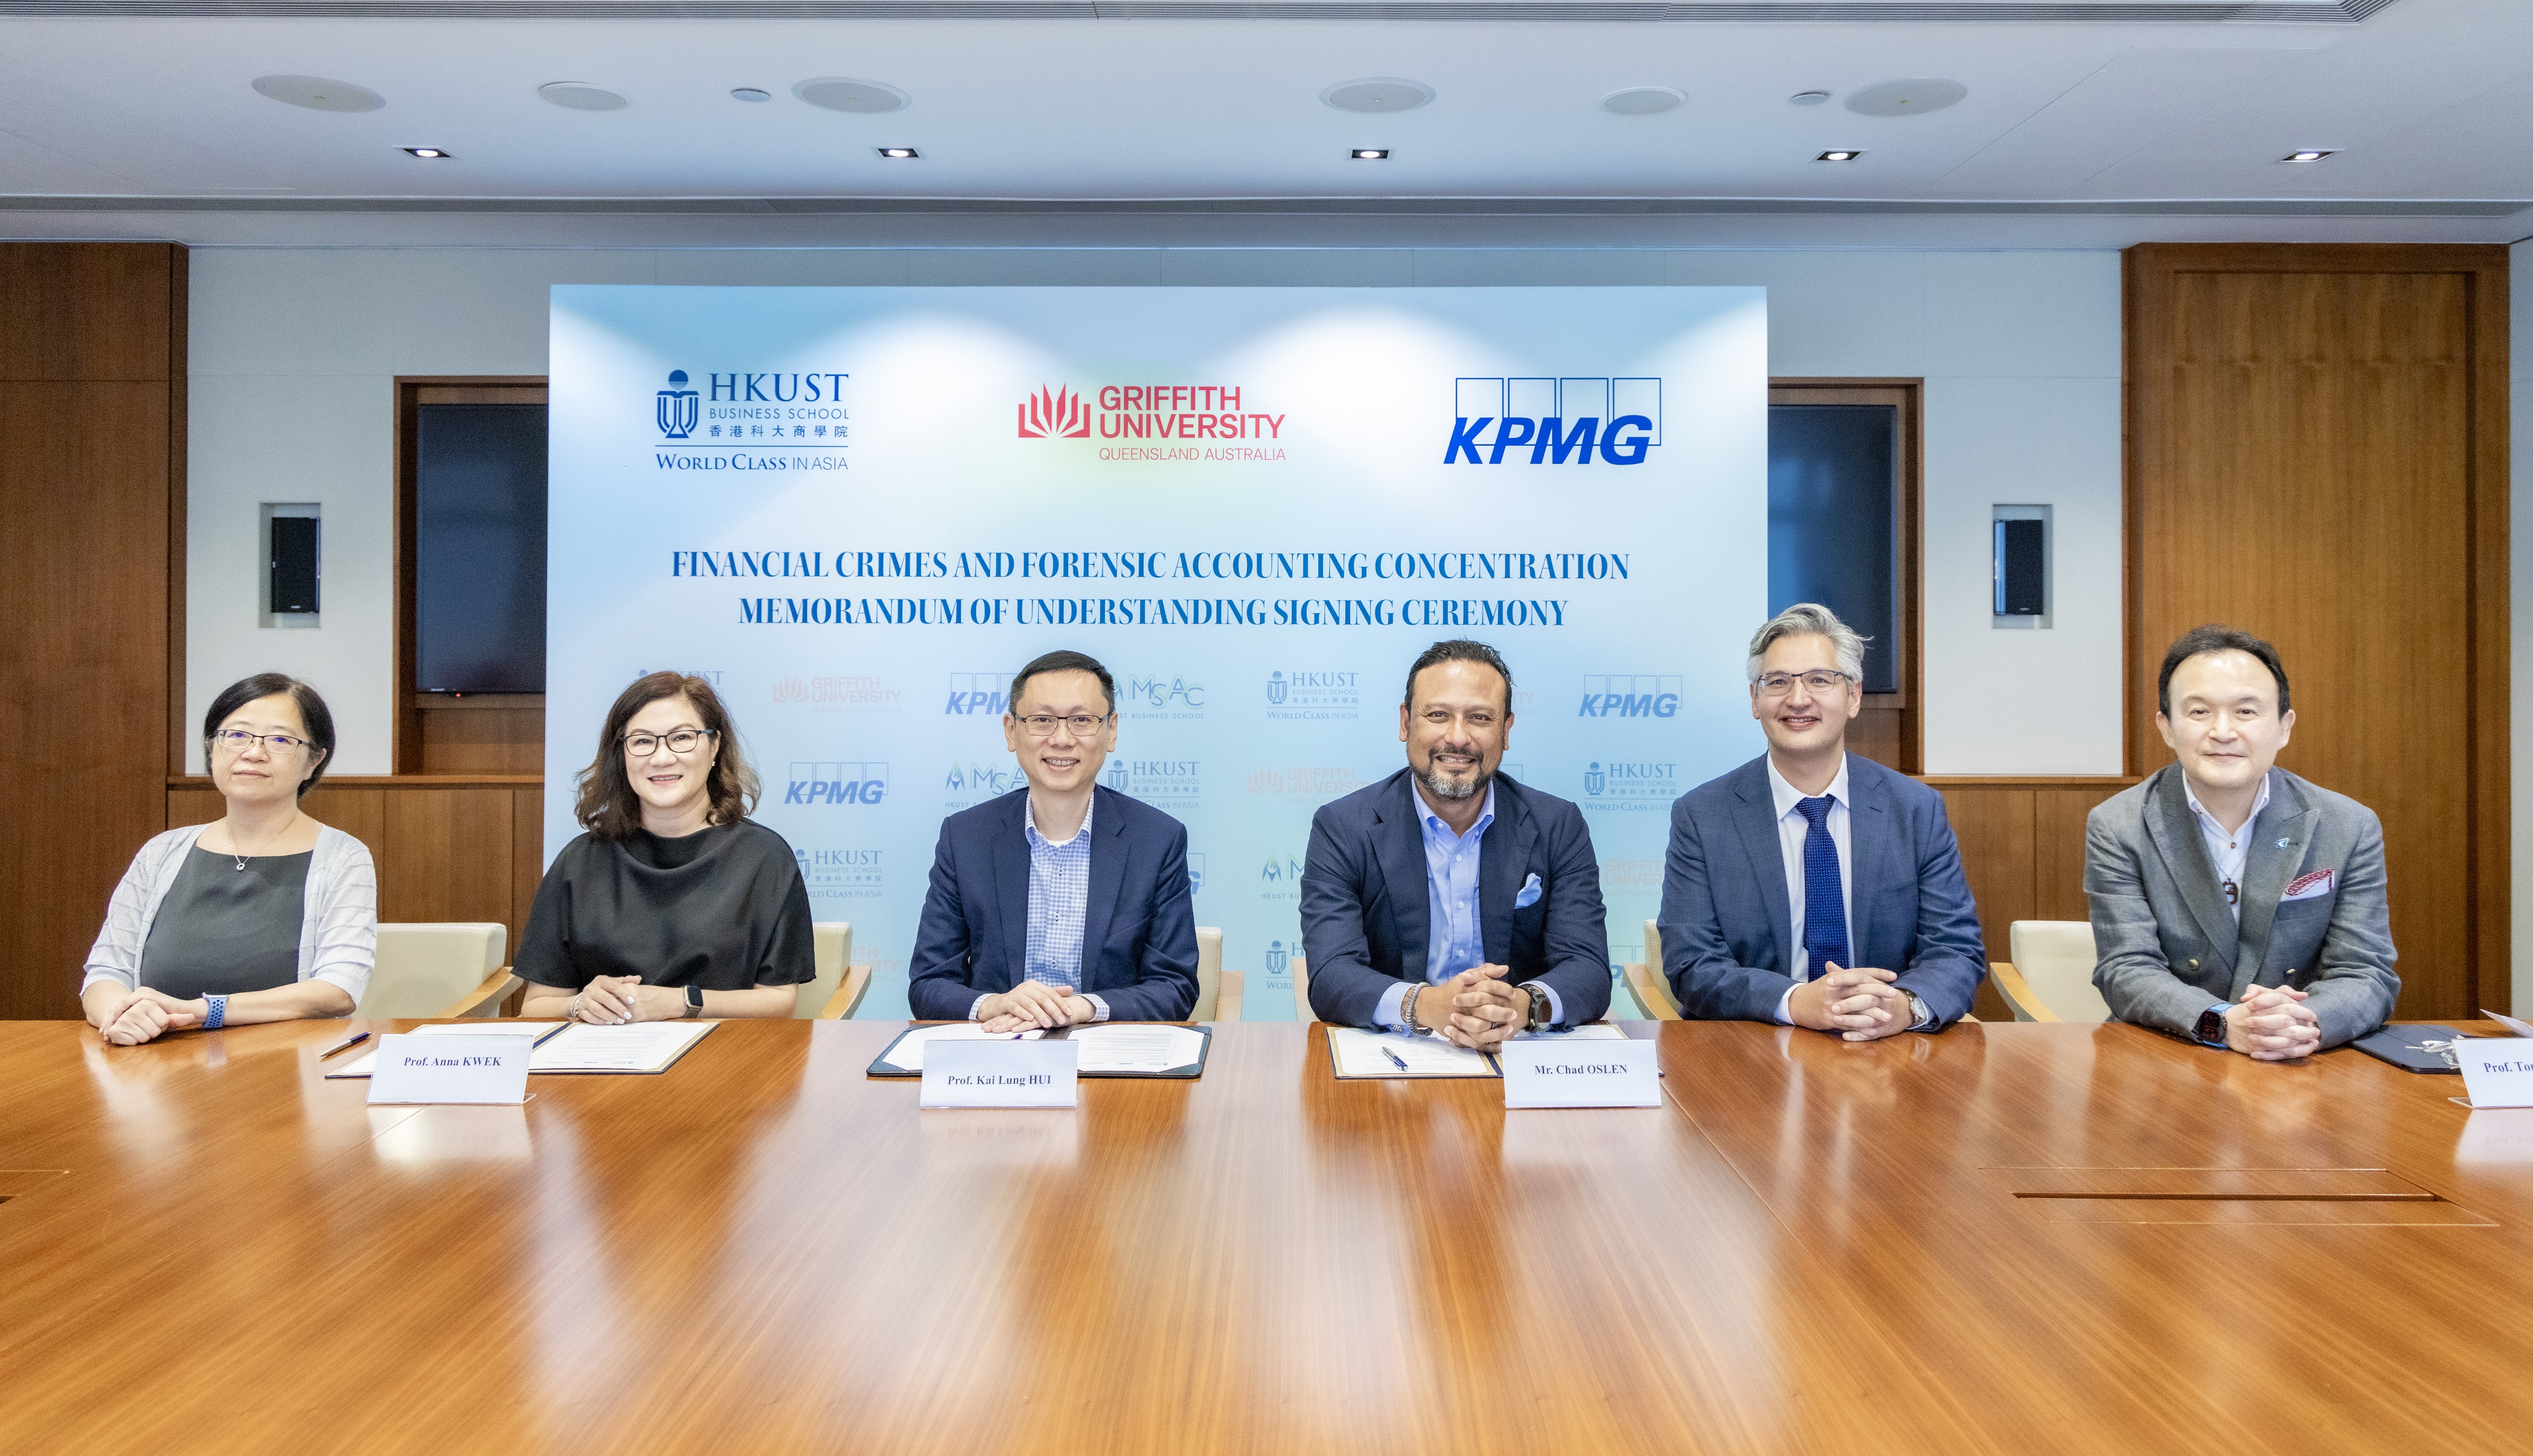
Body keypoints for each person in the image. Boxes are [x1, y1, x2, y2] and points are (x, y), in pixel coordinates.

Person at [1659, 604, 1983, 1037]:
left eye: (1819, 679)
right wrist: (1795, 1002)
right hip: (1754, 1047)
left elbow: (1957, 950)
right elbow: (1691, 963)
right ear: (1755, 700)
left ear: (1853, 696)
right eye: (1778, 682)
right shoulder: (1702, 815)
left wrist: (1903, 1007)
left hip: (1887, 1048)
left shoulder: (1915, 809)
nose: (1798, 699)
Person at [2086, 626, 2396, 1057]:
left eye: (2247, 712)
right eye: (2199, 712)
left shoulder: (2349, 826)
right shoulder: (2118, 825)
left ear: (2284, 727)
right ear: (2167, 727)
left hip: (2299, 1057)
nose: (2223, 731)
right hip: (2170, 1055)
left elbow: (2366, 971)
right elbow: (2126, 968)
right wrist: (2221, 1021)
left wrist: (2307, 1022)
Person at [1300, 639, 1609, 1046]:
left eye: (1480, 717)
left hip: (1517, 1052)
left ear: (1506, 730)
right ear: (1406, 722)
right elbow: (1332, 973)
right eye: (1438, 715)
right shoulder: (1342, 827)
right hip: (1399, 1060)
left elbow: (1588, 967)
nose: (1458, 737)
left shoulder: (1557, 825)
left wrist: (1523, 1007)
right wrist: (1426, 1006)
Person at [908, 650, 1200, 1026]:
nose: (1062, 739)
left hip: (1105, 1057)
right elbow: (928, 984)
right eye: (1042, 720)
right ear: (1011, 731)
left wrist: (1082, 1008)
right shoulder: (965, 838)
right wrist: (995, 1004)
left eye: (1082, 720)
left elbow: (1175, 987)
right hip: (998, 1057)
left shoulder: (1158, 840)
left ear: (1111, 731)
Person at [82, 673, 375, 1045]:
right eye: (237, 735)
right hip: (154, 1066)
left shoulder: (343, 857)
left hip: (284, 1071)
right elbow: (106, 972)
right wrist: (123, 1013)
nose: (253, 752)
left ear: (314, 761)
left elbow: (337, 990)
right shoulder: (162, 852)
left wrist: (204, 1011)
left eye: (281, 740)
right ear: (212, 748)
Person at [516, 672, 813, 1023]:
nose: (661, 757)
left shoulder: (765, 858)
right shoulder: (579, 862)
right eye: (642, 742)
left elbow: (780, 1002)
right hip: (606, 1063)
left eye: (682, 738)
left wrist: (683, 1002)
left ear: (714, 746)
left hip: (724, 1060)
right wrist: (580, 1004)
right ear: (621, 754)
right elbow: (535, 1007)